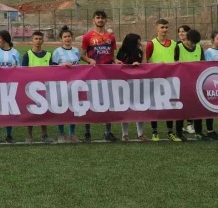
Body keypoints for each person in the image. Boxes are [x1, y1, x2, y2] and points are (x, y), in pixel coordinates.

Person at [81, 10, 120, 142]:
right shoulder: (87, 36)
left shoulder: (111, 37)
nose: (100, 20)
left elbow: (112, 55)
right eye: (98, 17)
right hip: (93, 73)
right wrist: (89, 60)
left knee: (108, 102)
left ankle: (107, 132)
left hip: (108, 73)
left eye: (102, 18)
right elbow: (82, 55)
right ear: (93, 20)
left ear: (106, 20)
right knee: (89, 101)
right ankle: (87, 133)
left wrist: (115, 61)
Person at [145, 18, 183, 142]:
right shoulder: (151, 44)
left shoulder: (174, 44)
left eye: (166, 27)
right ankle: (154, 132)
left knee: (169, 106)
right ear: (156, 28)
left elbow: (176, 60)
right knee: (154, 106)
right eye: (162, 27)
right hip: (155, 80)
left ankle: (170, 132)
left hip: (170, 80)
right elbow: (146, 62)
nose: (164, 30)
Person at [176, 30, 210, 141]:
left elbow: (203, 64)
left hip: (196, 83)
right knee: (181, 108)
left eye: (195, 43)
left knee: (198, 108)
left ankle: (198, 132)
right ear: (187, 38)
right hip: (182, 83)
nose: (193, 45)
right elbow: (174, 64)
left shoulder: (199, 48)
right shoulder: (178, 47)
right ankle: (179, 132)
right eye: (192, 43)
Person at [22, 31, 54, 144]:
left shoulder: (48, 55)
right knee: (30, 111)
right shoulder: (27, 55)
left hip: (44, 87)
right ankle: (29, 135)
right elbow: (22, 72)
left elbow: (54, 71)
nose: (38, 41)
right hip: (30, 88)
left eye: (40, 39)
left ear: (43, 41)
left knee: (44, 111)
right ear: (32, 41)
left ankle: (44, 135)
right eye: (36, 39)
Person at [115, 34, 148, 142]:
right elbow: (118, 65)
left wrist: (144, 52)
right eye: (138, 41)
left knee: (139, 107)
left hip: (138, 83)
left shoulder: (139, 52)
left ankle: (140, 133)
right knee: (125, 108)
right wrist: (128, 65)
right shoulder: (123, 52)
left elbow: (144, 65)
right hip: (125, 83)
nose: (140, 43)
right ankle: (125, 134)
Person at [51, 26, 80, 143]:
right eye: (65, 37)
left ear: (72, 37)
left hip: (74, 83)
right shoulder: (57, 52)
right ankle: (61, 133)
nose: (67, 39)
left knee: (74, 108)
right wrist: (62, 65)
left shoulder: (76, 50)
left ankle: (72, 133)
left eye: (69, 36)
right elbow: (52, 68)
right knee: (61, 108)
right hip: (61, 84)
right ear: (61, 39)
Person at [176, 25, 196, 134]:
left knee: (191, 103)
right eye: (179, 31)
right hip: (180, 79)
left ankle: (189, 124)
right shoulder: (177, 46)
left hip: (192, 79)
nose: (181, 33)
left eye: (183, 31)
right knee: (180, 103)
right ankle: (180, 126)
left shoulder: (196, 47)